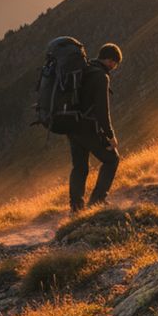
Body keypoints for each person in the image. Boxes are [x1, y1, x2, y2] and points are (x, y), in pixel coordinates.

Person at [68, 43, 122, 211]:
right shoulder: (101, 76)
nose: (114, 67)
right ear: (110, 60)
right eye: (115, 63)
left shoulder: (84, 69)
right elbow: (102, 111)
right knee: (112, 160)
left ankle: (76, 208)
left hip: (71, 126)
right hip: (88, 128)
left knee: (80, 167)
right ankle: (97, 201)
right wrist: (110, 135)